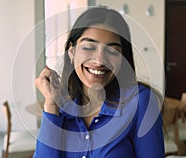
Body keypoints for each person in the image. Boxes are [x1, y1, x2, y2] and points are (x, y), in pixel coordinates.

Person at [34, 6, 164, 158]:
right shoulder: (61, 107)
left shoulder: (141, 102)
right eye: (89, 47)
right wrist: (51, 106)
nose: (99, 60)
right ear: (72, 52)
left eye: (112, 50)